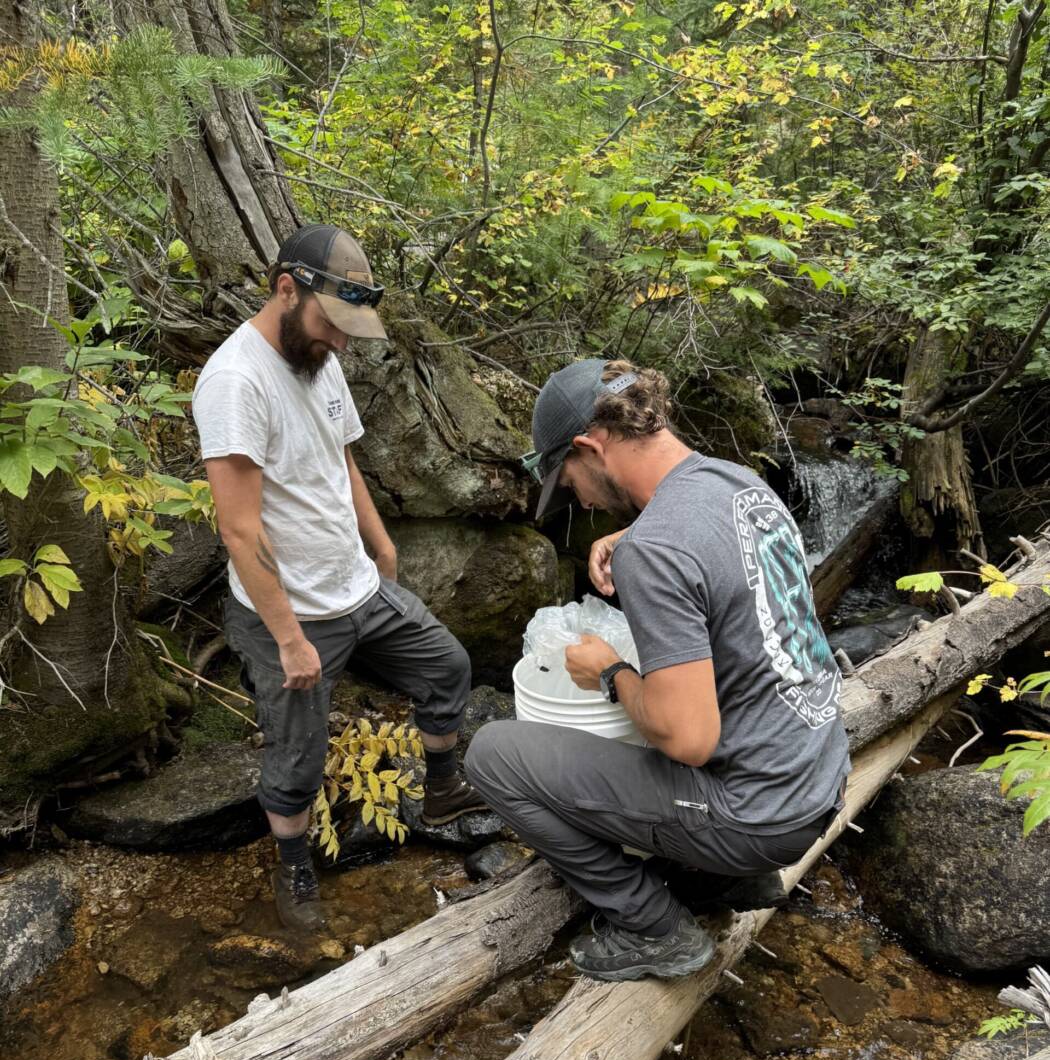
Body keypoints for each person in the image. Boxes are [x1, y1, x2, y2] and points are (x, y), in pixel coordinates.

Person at [465, 358, 850, 983]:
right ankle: (732, 879)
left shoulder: (660, 548)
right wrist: (637, 537)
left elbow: (687, 739)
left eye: (569, 481)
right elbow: (726, 584)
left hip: (758, 812)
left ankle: (655, 927)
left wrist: (610, 669)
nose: (579, 499)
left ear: (590, 446)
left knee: (491, 754)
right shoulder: (739, 484)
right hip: (817, 776)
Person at [193, 223, 486, 934]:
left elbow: (340, 459)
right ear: (286, 290)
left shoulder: (319, 356)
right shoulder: (236, 381)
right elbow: (239, 528)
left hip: (357, 584)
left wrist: (380, 545)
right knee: (299, 758)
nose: (343, 342)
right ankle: (294, 865)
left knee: (447, 667)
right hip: (291, 614)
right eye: (334, 324)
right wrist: (290, 638)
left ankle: (443, 792)